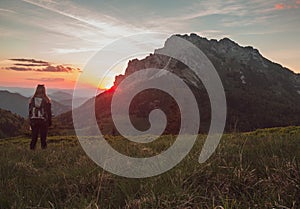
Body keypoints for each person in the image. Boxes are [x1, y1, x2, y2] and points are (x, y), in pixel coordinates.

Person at [29, 84, 52, 150]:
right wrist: (49, 122)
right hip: (44, 121)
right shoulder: (46, 100)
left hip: (34, 121)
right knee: (43, 138)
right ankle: (44, 151)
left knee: (34, 137)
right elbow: (49, 112)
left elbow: (30, 112)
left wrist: (30, 121)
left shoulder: (32, 100)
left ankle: (32, 151)